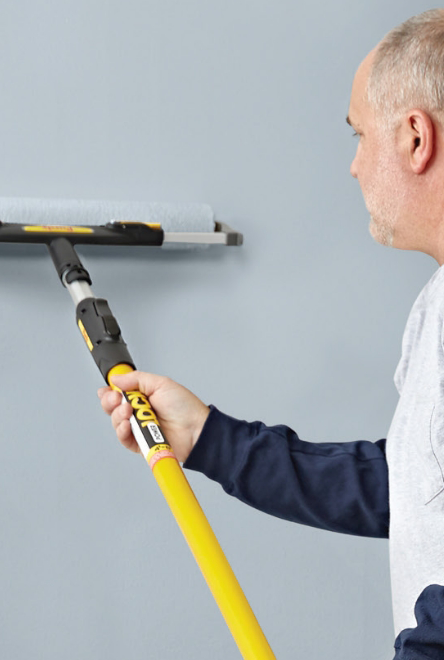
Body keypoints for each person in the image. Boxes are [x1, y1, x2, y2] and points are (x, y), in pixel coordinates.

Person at [99, 9, 444, 658]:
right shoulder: (435, 307)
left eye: (359, 136)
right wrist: (209, 438)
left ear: (416, 140)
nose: (353, 167)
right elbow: (408, 485)